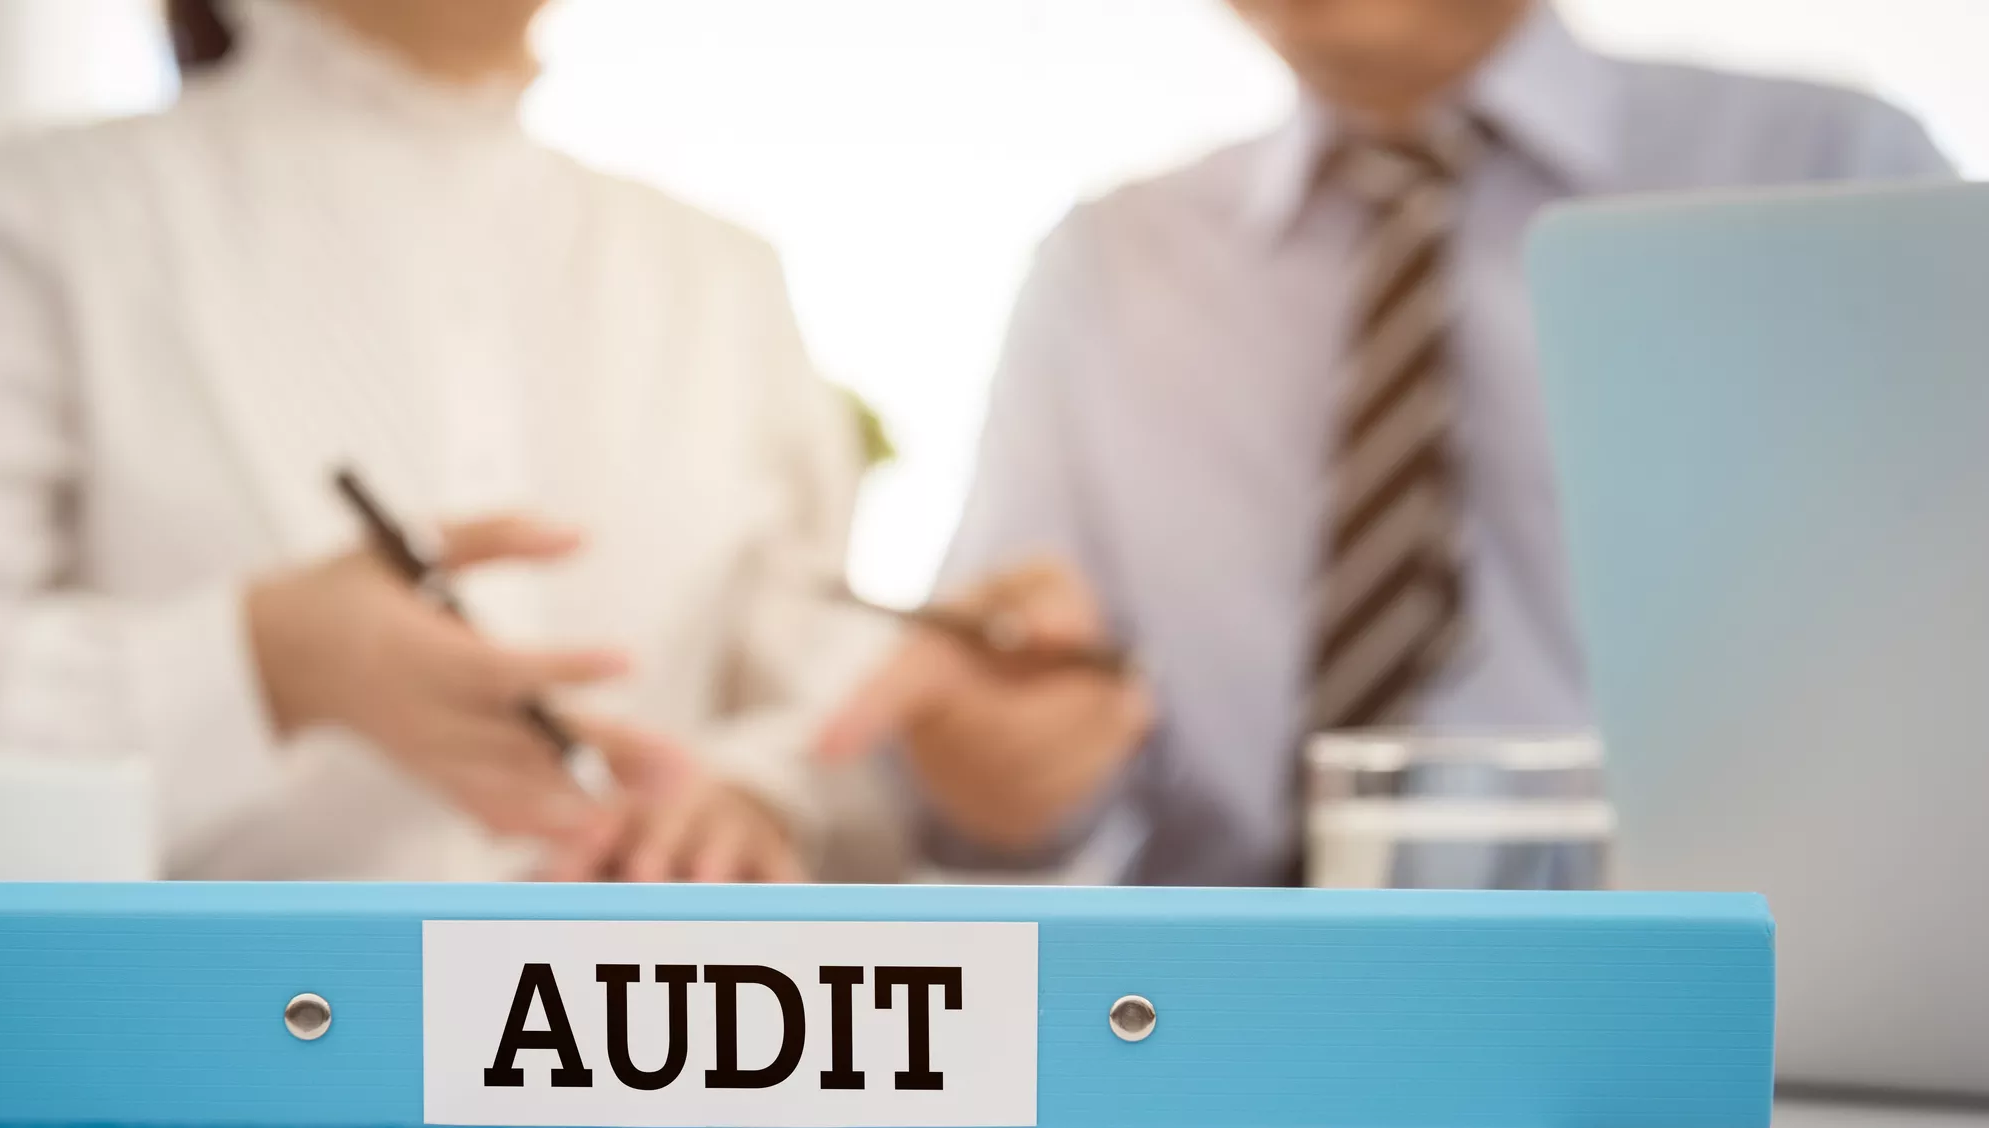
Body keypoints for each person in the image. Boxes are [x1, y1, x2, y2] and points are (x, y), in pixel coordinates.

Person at [822, 0, 1954, 885]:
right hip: (1227, 1027)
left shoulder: (1827, 164)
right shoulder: (1110, 264)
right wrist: (998, 778)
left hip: (1702, 1023)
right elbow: (998, 772)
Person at [0, 0, 899, 882]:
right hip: (184, 1071)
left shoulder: (723, 278)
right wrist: (262, 664)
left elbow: (827, 727)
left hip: (626, 1074)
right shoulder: (45, 219)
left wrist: (749, 797)